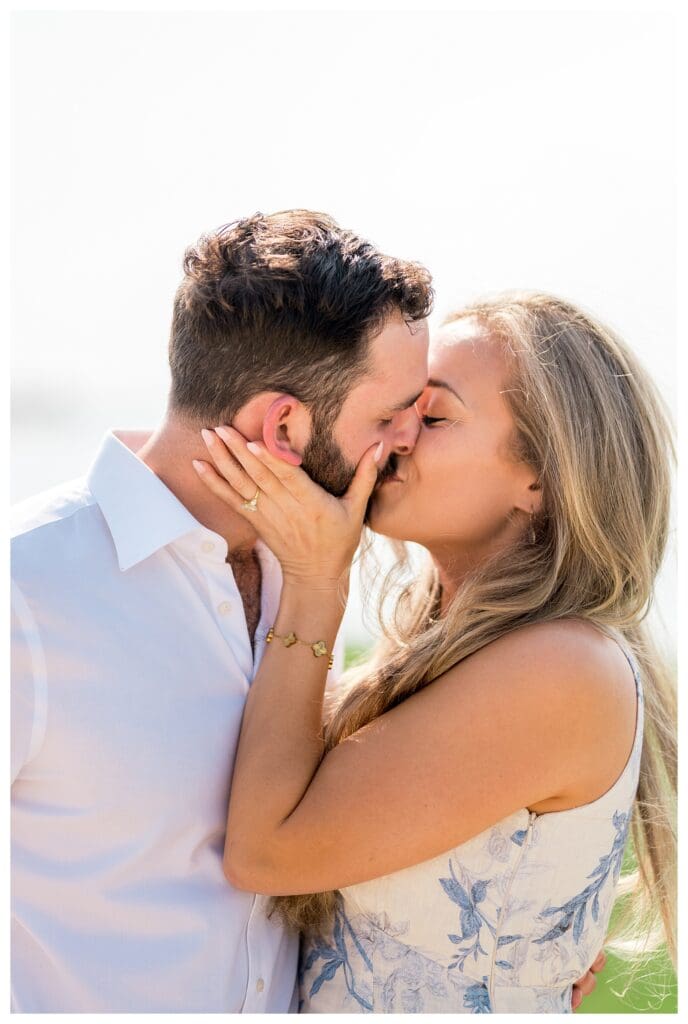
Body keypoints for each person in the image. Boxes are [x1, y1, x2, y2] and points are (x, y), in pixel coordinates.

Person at [11, 210, 601, 1012]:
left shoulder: (314, 575)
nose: (402, 442)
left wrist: (528, 931)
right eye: (391, 415)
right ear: (284, 426)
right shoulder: (30, 592)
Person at [193, 291, 676, 1013]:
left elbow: (265, 852)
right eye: (399, 406)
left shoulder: (561, 670)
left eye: (435, 414)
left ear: (538, 479)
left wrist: (318, 581)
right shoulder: (461, 658)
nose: (396, 432)